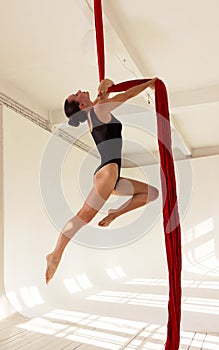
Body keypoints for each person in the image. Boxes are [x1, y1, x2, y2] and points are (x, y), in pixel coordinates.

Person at [45, 78, 159, 284]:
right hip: (107, 173)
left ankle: (115, 214)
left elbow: (108, 84)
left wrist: (104, 85)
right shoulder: (98, 109)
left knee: (152, 193)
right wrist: (151, 83)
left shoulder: (96, 109)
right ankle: (55, 254)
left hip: (112, 174)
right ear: (81, 105)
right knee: (83, 217)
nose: (79, 89)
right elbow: (127, 95)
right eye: (76, 93)